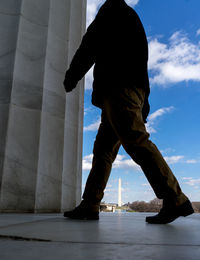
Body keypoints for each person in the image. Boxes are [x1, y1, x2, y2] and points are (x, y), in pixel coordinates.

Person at [63, 0, 194, 224]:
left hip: (118, 88)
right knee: (103, 150)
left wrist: (71, 76)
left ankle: (175, 198)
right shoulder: (131, 16)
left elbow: (89, 46)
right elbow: (141, 63)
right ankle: (91, 203)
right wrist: (144, 104)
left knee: (136, 141)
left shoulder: (110, 11)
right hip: (129, 90)